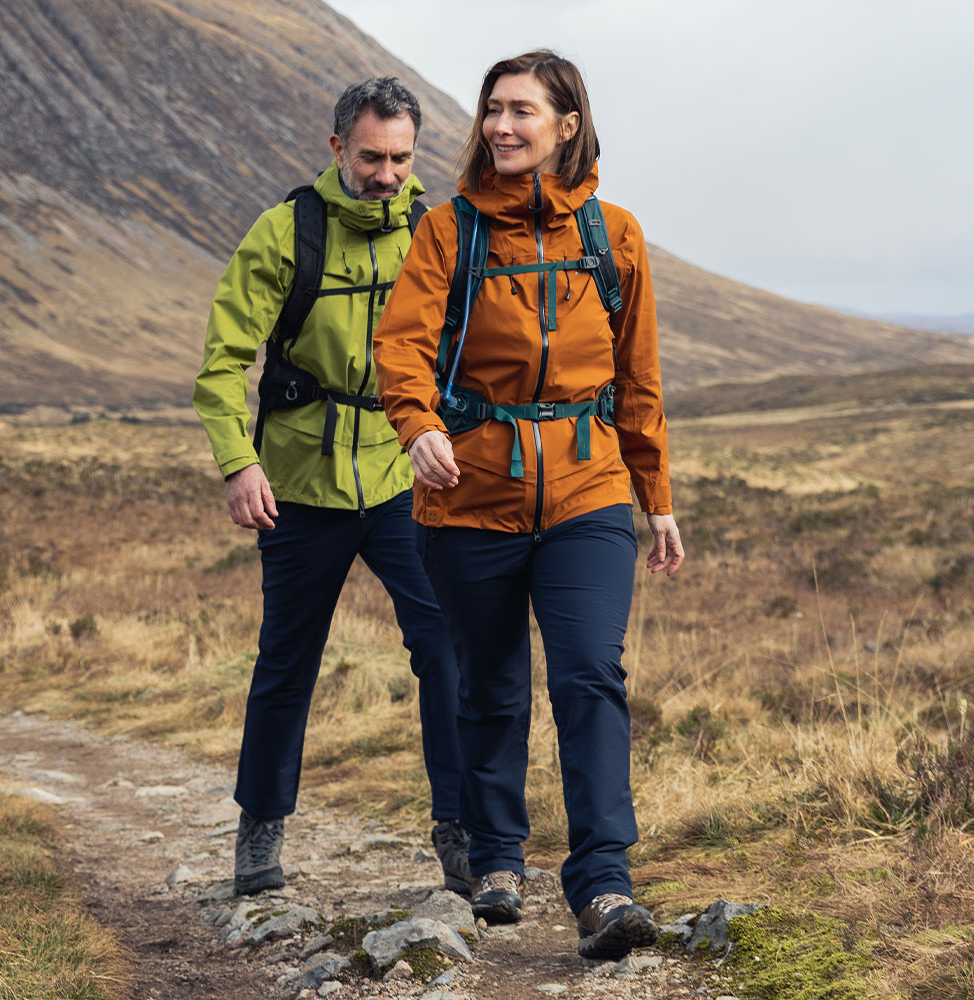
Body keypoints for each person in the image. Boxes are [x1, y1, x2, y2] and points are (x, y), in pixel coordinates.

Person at [373, 51, 684, 960]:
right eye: (492, 110)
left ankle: (604, 883)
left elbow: (639, 377)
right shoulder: (447, 231)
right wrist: (416, 423)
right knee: (489, 683)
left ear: (567, 125)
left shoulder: (614, 235)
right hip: (468, 493)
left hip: (589, 491)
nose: (501, 126)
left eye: (521, 111)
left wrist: (655, 494)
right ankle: (498, 858)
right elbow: (402, 348)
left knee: (590, 673)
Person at [193, 78, 469, 898]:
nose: (388, 175)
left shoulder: (438, 231)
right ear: (337, 148)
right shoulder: (284, 234)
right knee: (288, 660)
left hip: (402, 481)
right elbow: (220, 367)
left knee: (446, 648)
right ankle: (260, 828)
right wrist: (239, 464)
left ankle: (459, 831)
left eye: (402, 159)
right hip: (300, 484)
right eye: (372, 157)